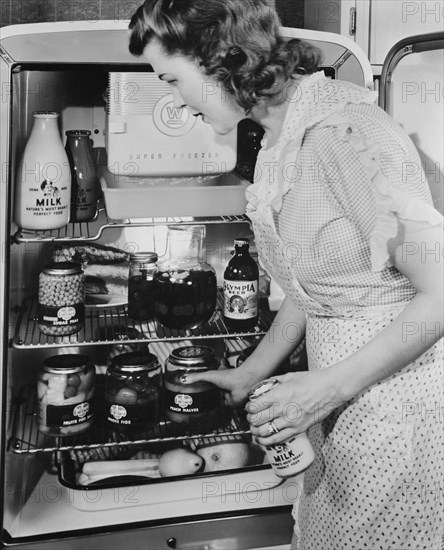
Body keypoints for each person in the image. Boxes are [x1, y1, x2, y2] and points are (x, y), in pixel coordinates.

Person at [128, 1, 444, 548]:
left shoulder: (346, 132)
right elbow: (313, 281)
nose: (175, 100)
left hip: (399, 404)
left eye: (172, 80)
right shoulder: (277, 140)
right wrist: (254, 372)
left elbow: (441, 291)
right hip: (339, 400)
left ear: (219, 59)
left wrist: (327, 389)